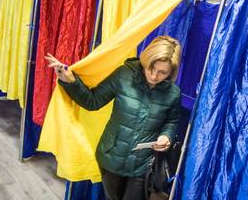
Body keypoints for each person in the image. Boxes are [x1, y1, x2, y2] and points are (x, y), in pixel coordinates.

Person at [45, 36, 182, 200]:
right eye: (151, 68)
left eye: (162, 72)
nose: (154, 76)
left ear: (171, 72)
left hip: (143, 165)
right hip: (111, 157)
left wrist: (166, 136)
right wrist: (70, 81)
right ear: (145, 60)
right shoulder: (123, 75)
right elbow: (93, 101)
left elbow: (171, 122)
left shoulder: (173, 94)